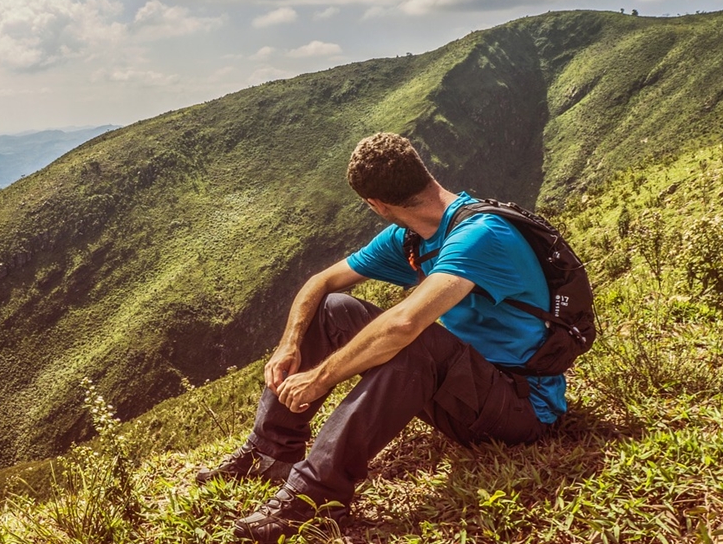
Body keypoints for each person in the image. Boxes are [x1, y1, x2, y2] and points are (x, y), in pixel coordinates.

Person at [196, 132, 568, 542]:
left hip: (521, 408)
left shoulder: (480, 234)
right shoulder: (412, 238)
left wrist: (320, 378)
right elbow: (321, 282)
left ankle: (315, 498)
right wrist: (290, 342)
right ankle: (270, 451)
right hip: (467, 392)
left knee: (415, 343)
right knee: (333, 307)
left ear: (375, 205)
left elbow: (404, 325)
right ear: (423, 172)